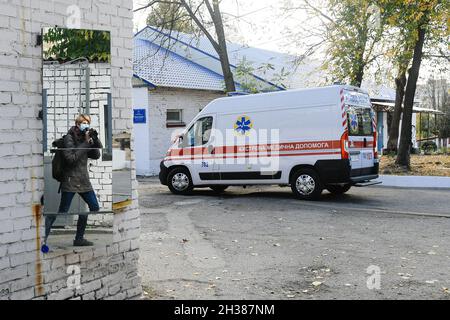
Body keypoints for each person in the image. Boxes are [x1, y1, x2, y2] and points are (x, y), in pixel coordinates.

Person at [45, 114, 103, 246]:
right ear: (77, 124)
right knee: (62, 212)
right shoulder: (69, 138)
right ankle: (43, 235)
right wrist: (85, 143)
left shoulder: (85, 137)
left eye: (87, 122)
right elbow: (71, 158)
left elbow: (96, 155)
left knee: (94, 207)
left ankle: (79, 239)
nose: (85, 125)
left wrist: (94, 138)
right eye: (83, 122)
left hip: (83, 181)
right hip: (70, 181)